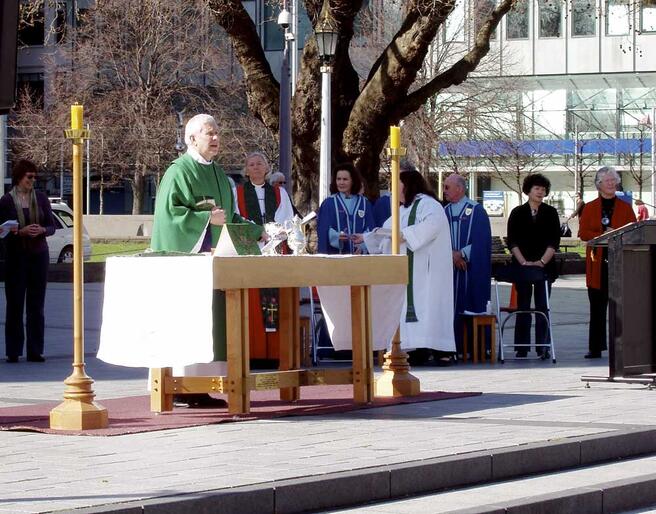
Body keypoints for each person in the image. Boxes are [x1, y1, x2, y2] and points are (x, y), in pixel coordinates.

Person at [151, 113, 263, 407]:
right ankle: (179, 385)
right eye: (209, 134)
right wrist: (205, 218)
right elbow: (169, 217)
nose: (215, 138)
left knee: (213, 324)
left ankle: (205, 384)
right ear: (191, 139)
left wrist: (257, 232)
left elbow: (229, 216)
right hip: (186, 267)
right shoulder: (178, 171)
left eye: (217, 133)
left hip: (216, 266)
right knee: (188, 322)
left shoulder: (219, 175)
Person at [358, 170, 456, 364]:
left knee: (427, 308)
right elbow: (388, 232)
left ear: (408, 185)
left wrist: (403, 235)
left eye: (397, 184)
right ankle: (410, 348)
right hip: (407, 272)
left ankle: (432, 349)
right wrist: (365, 238)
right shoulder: (403, 210)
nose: (393, 190)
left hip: (426, 273)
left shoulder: (430, 206)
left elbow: (428, 228)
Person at [236, 152, 294, 362]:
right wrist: (257, 232)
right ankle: (254, 351)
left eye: (260, 163)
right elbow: (237, 217)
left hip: (276, 248)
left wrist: (274, 232)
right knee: (252, 300)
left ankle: (278, 352)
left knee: (277, 298)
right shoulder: (239, 193)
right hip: (252, 248)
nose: (256, 167)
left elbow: (287, 217)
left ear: (267, 167)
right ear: (246, 169)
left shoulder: (279, 193)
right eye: (251, 164)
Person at [0, 159, 56, 363]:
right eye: (29, 177)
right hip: (16, 257)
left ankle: (35, 350)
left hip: (38, 255)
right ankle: (13, 351)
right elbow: (1, 231)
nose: (32, 180)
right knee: (15, 304)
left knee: (36, 305)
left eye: (34, 177)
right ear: (18, 177)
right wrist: (20, 232)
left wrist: (41, 230)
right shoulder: (6, 201)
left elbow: (51, 226)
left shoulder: (40, 198)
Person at [579, 167, 636, 359]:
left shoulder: (626, 207)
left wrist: (616, 234)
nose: (611, 183)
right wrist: (602, 235)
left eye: (614, 180)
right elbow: (583, 233)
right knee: (597, 307)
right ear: (599, 184)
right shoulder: (589, 207)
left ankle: (624, 346)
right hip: (598, 264)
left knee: (621, 307)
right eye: (607, 180)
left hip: (619, 262)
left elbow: (634, 233)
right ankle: (595, 347)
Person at [506, 173, 561, 359]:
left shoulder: (551, 213)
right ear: (528, 190)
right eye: (537, 188)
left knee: (542, 306)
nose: (540, 192)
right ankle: (521, 347)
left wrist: (541, 262)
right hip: (522, 266)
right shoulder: (517, 212)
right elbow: (512, 241)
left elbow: (554, 241)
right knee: (523, 306)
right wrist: (524, 262)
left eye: (543, 189)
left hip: (544, 267)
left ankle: (543, 346)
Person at [443, 174, 492, 357]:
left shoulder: (476, 211)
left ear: (460, 189)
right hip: (449, 269)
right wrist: (451, 255)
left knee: (472, 302)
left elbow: (482, 241)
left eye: (447, 187)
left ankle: (476, 348)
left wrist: (462, 253)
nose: (444, 191)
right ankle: (452, 347)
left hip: (470, 269)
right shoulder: (444, 212)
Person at [317, 163, 375, 254]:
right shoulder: (328, 204)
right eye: (338, 179)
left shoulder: (365, 204)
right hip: (336, 257)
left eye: (345, 179)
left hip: (359, 258)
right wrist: (336, 237)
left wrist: (363, 246)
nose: (341, 182)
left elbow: (371, 229)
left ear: (353, 181)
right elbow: (323, 230)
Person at [373, 159, 417, 227]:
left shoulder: (423, 203)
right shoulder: (383, 203)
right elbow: (377, 232)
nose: (399, 183)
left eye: (403, 180)